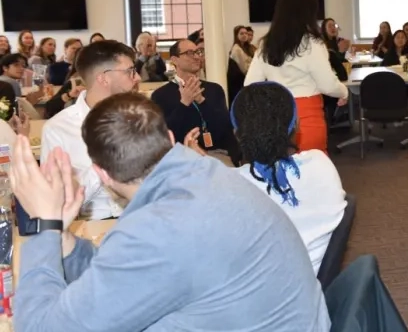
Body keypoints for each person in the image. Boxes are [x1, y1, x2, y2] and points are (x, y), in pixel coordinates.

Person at [10, 93, 331, 331]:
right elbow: (122, 275)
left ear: (101, 173)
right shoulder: (207, 173)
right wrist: (63, 238)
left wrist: (44, 225)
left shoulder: (160, 229)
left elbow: (40, 327)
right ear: (169, 138)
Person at [231, 82, 346, 274]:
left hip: (262, 296)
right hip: (316, 287)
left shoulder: (229, 186)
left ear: (237, 134)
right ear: (297, 125)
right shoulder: (321, 164)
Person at [41, 40, 140, 220]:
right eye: (130, 71)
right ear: (104, 77)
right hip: (88, 227)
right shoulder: (58, 128)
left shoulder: (140, 118)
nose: (138, 78)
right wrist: (105, 160)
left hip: (139, 220)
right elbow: (57, 201)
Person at [245, 0, 348, 153]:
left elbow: (250, 86)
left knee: (281, 171)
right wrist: (344, 92)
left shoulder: (265, 44)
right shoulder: (312, 43)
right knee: (311, 173)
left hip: (276, 119)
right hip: (306, 118)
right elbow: (327, 85)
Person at [152, 39, 241, 166]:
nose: (196, 57)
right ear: (174, 60)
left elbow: (225, 128)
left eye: (198, 52)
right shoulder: (161, 95)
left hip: (217, 154)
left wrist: (202, 101)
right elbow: (164, 135)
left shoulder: (214, 89)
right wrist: (184, 103)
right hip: (180, 159)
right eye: (189, 53)